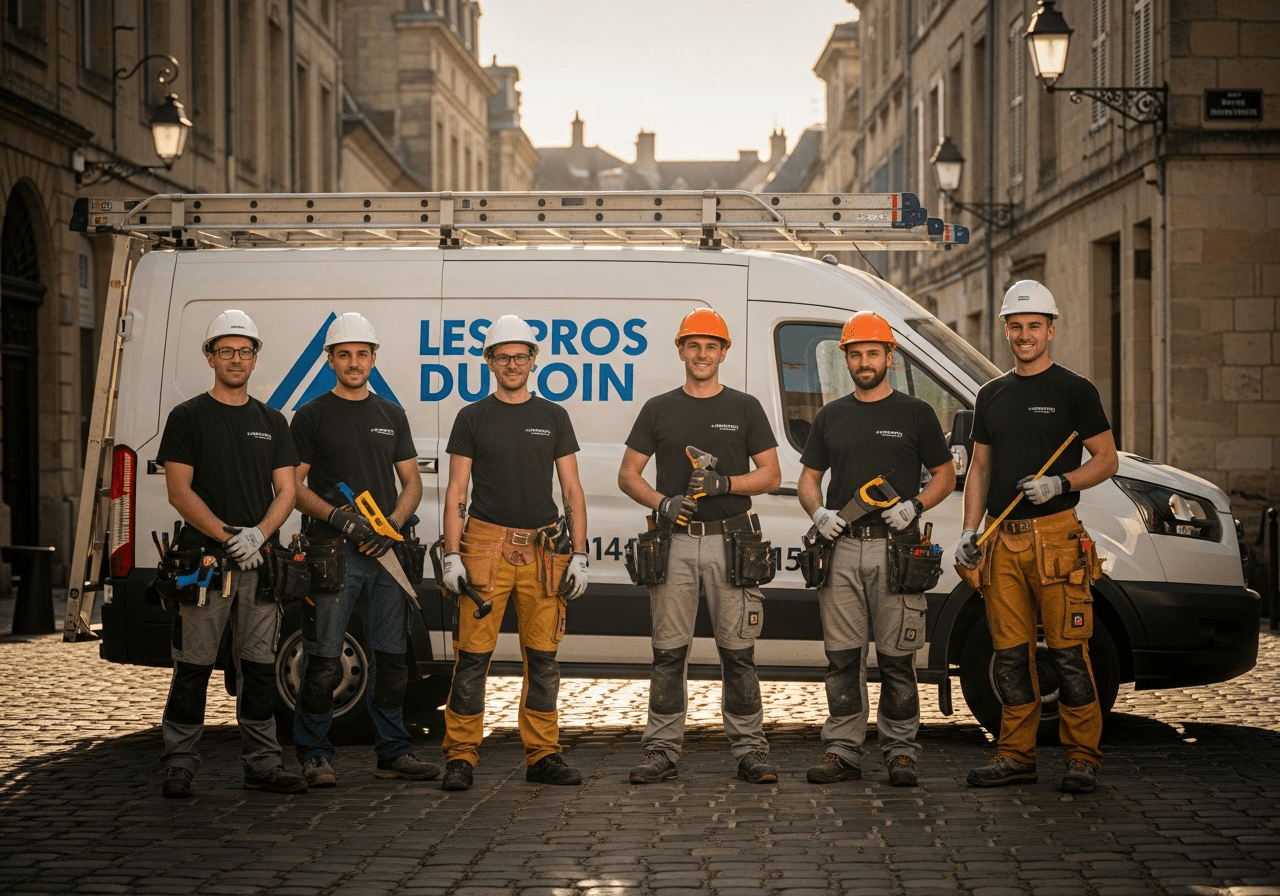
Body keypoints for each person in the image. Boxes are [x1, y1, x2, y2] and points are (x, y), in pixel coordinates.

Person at [954, 280, 1118, 795]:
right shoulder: (992, 394)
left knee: (1069, 652)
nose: (1024, 336)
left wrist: (1060, 483)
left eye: (1034, 327)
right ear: (1006, 330)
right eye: (1016, 327)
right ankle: (1015, 755)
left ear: (1050, 330)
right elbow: (979, 468)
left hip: (1057, 541)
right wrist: (968, 531)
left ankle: (1082, 756)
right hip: (1003, 543)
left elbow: (1107, 459)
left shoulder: (1075, 391)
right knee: (1009, 655)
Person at [618, 308, 782, 785]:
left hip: (732, 542)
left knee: (739, 653)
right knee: (668, 652)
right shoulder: (658, 408)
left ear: (724, 352)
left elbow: (772, 475)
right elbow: (628, 474)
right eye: (693, 345)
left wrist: (725, 482)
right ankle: (661, 750)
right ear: (680, 350)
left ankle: (751, 749)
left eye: (711, 345)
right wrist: (662, 502)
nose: (702, 353)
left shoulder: (744, 407)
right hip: (674, 545)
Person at [797, 311, 956, 787]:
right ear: (845, 359)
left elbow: (945, 475)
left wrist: (916, 504)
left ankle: (900, 750)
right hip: (841, 550)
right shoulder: (831, 415)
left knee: (896, 658)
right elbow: (809, 479)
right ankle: (843, 749)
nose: (864, 362)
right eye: (855, 354)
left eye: (872, 353)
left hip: (898, 553)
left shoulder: (916, 413)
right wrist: (818, 513)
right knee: (843, 658)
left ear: (889, 356)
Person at [156, 310, 307, 798]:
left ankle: (262, 763)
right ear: (210, 356)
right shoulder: (188, 417)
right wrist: (227, 537)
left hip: (259, 565)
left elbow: (287, 489)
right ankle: (180, 762)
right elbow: (179, 490)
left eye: (245, 351)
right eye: (226, 350)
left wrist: (259, 536)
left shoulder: (271, 420)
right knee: (194, 665)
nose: (236, 359)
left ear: (256, 357)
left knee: (260, 669)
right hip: (205, 565)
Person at [438, 315, 590, 791]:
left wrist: (580, 553)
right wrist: (451, 553)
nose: (512, 364)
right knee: (472, 658)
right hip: (484, 546)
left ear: (533, 361)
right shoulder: (472, 417)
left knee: (543, 658)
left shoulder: (553, 416)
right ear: (489, 361)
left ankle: (543, 754)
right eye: (502, 356)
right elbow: (456, 489)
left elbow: (572, 490)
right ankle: (461, 755)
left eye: (520, 356)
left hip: (544, 550)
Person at [290, 312, 439, 787]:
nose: (353, 363)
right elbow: (292, 486)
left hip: (385, 555)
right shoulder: (311, 414)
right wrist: (339, 517)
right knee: (325, 657)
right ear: (330, 359)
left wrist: (390, 525)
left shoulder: (390, 414)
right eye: (344, 354)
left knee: (392, 658)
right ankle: (314, 754)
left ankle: (392, 752)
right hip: (333, 554)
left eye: (362, 354)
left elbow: (412, 482)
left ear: (374, 359)